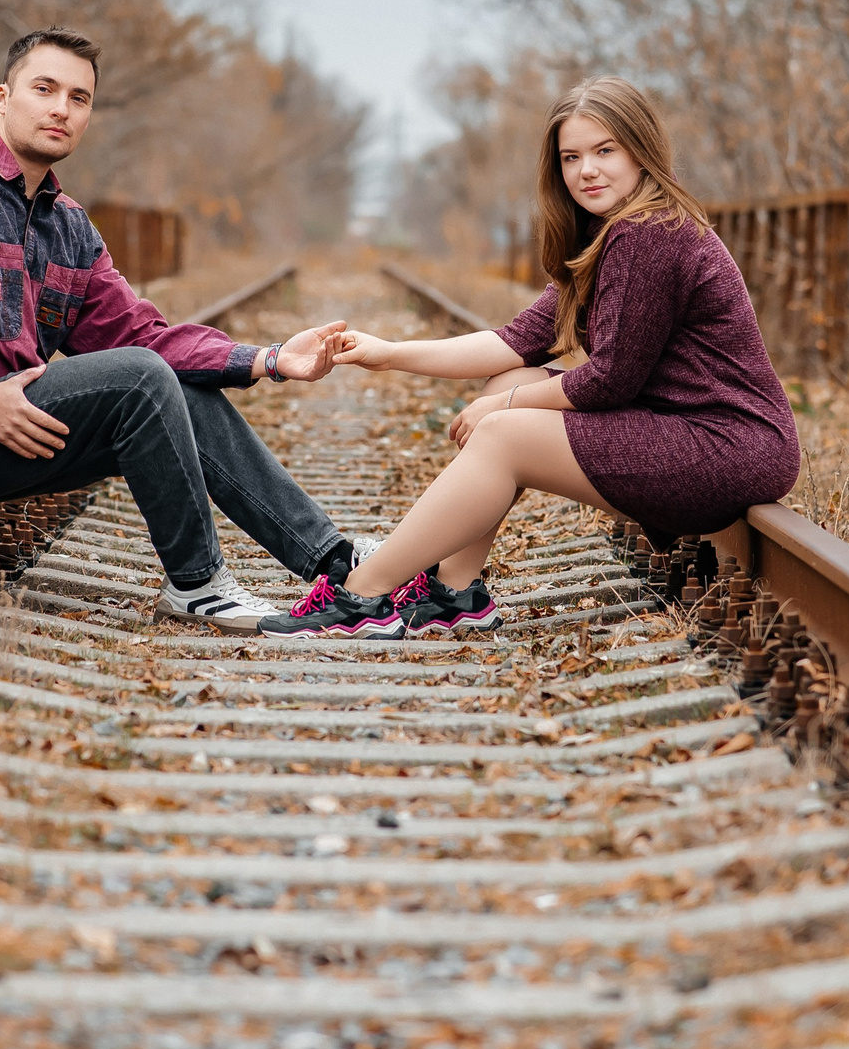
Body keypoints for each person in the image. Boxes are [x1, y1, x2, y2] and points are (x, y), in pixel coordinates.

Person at [0, 27, 372, 626]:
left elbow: (142, 337)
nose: (60, 109)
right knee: (146, 379)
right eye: (44, 89)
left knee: (174, 380)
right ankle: (197, 584)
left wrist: (272, 359)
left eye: (79, 98)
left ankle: (336, 563)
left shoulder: (68, 227)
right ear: (2, 96)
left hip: (11, 427)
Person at [266, 75, 799, 639]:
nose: (586, 170)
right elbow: (513, 341)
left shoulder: (651, 234)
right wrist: (389, 352)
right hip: (687, 428)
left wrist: (509, 410)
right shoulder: (610, 234)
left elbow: (610, 381)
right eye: (571, 157)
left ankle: (361, 595)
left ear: (642, 150)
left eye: (604, 151)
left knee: (504, 428)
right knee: (507, 381)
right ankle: (456, 593)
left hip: (727, 444)